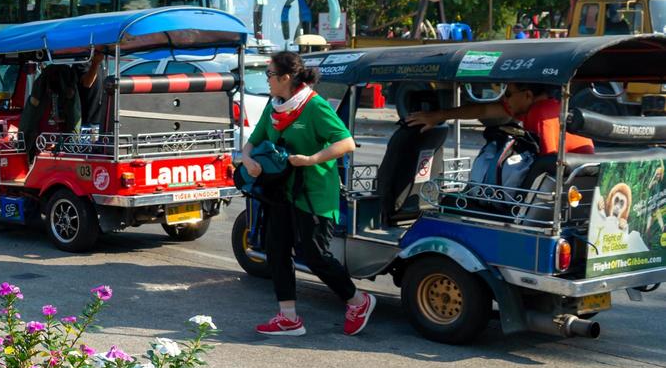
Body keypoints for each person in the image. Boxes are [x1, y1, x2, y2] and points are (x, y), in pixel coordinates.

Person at [241, 50, 371, 338]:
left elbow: (346, 143)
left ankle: (358, 301)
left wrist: (312, 159)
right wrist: (248, 159)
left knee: (315, 255)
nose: (267, 80)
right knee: (276, 250)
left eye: (270, 75)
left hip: (313, 193)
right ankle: (288, 318)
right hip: (280, 192)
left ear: (286, 78)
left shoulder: (314, 106)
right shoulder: (274, 106)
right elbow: (254, 140)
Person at [405, 82, 594, 156]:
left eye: (508, 94)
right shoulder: (533, 107)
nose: (504, 99)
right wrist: (439, 115)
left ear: (527, 95)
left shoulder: (541, 113)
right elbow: (483, 110)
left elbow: (548, 161)